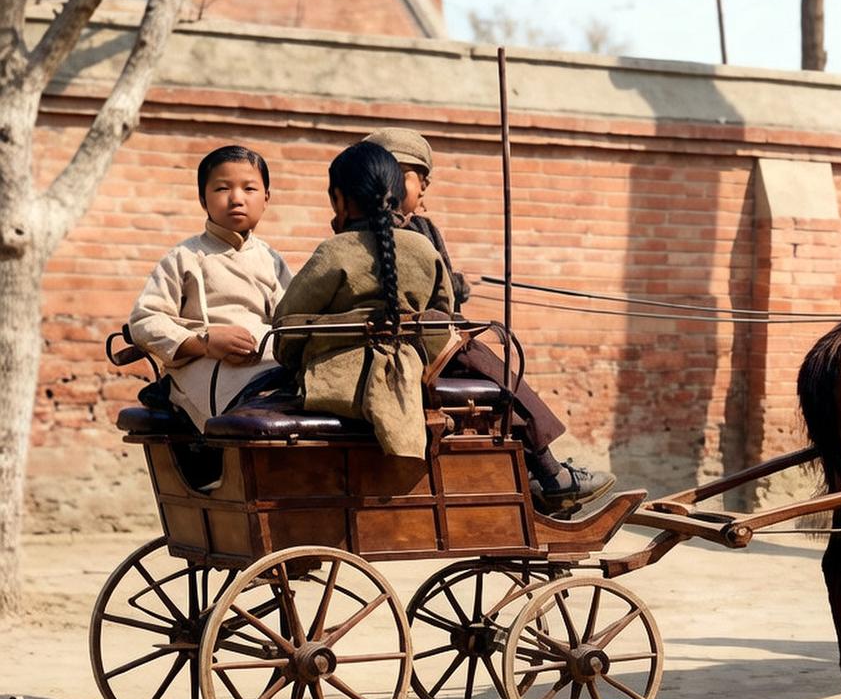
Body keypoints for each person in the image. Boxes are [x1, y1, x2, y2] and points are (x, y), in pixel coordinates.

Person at [362, 126, 615, 514]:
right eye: (414, 178)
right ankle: (549, 472)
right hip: (407, 348)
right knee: (481, 360)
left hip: (436, 338)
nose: (422, 191)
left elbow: (444, 288)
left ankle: (533, 475)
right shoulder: (368, 234)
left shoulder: (423, 228)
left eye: (425, 183)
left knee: (486, 365)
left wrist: (458, 286)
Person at [273, 141, 452, 459]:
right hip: (413, 380)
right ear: (398, 194)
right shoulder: (425, 249)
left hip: (329, 386)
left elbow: (286, 327)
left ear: (339, 199)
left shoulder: (334, 252)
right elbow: (443, 318)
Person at [128, 144, 290, 430]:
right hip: (204, 367)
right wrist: (203, 343)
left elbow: (291, 319)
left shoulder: (272, 260)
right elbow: (144, 320)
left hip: (266, 363)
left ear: (266, 198)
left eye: (249, 189)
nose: (236, 199)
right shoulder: (184, 257)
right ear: (203, 199)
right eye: (222, 188)